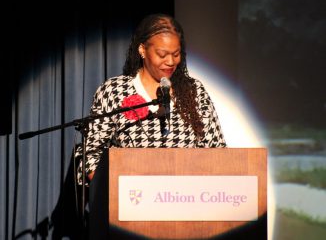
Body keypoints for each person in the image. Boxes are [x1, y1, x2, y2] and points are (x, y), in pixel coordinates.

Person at [75, 13, 227, 239]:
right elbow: (91, 153)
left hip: (187, 209)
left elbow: (216, 150)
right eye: (162, 54)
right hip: (129, 211)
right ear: (142, 50)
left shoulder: (194, 92)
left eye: (176, 54)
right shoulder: (115, 91)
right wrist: (110, 193)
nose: (171, 62)